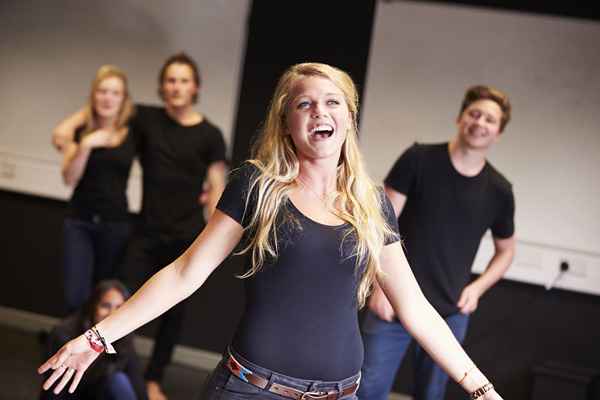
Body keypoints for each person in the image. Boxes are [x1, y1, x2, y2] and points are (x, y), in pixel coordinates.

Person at [39, 63, 503, 400]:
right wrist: (96, 338)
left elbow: (416, 308)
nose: (319, 111)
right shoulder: (256, 187)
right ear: (288, 121)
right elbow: (185, 274)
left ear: (348, 117)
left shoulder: (371, 203)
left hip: (341, 395)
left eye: (331, 102)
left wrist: (479, 387)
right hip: (251, 390)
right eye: (304, 103)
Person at [52, 52, 227, 400]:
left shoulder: (210, 135)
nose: (176, 87)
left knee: (173, 315)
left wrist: (211, 236)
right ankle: (109, 368)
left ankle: (152, 378)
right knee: (120, 302)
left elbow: (217, 188)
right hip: (145, 233)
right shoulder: (146, 120)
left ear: (196, 88)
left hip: (187, 237)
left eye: (184, 81)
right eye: (171, 80)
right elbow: (90, 117)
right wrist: (70, 135)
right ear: (163, 87)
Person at [358, 85, 516, 400]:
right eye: (475, 113)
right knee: (368, 392)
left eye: (490, 119)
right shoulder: (418, 159)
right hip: (394, 302)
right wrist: (380, 286)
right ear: (460, 118)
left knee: (431, 395)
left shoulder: (499, 190)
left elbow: (506, 251)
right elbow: (380, 224)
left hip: (449, 311)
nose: (480, 122)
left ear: (497, 132)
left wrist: (477, 288)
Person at [56, 65, 136, 313]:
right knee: (75, 296)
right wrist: (86, 145)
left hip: (115, 224)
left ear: (123, 99)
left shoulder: (133, 133)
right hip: (80, 221)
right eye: (102, 91)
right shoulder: (80, 133)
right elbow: (69, 178)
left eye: (115, 93)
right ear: (93, 95)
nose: (108, 98)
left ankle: (98, 351)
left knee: (104, 297)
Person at [40, 280, 147, 400]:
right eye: (106, 306)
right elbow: (54, 390)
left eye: (119, 308)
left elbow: (136, 378)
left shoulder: (123, 334)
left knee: (118, 381)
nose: (112, 314)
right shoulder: (64, 333)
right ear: (92, 306)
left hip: (101, 392)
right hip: (70, 395)